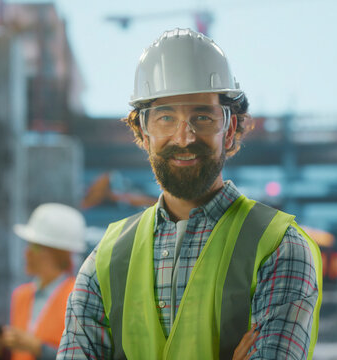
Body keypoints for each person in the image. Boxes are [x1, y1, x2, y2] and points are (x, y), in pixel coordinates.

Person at [57, 28, 323, 360]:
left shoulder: (279, 247)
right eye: (166, 117)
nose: (184, 137)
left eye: (202, 117)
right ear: (143, 132)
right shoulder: (105, 260)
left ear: (229, 130)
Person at [0, 203, 86, 360]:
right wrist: (0, 352)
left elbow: (80, 355)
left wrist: (36, 347)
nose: (27, 252)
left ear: (58, 252)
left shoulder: (78, 296)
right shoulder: (21, 295)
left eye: (35, 246)